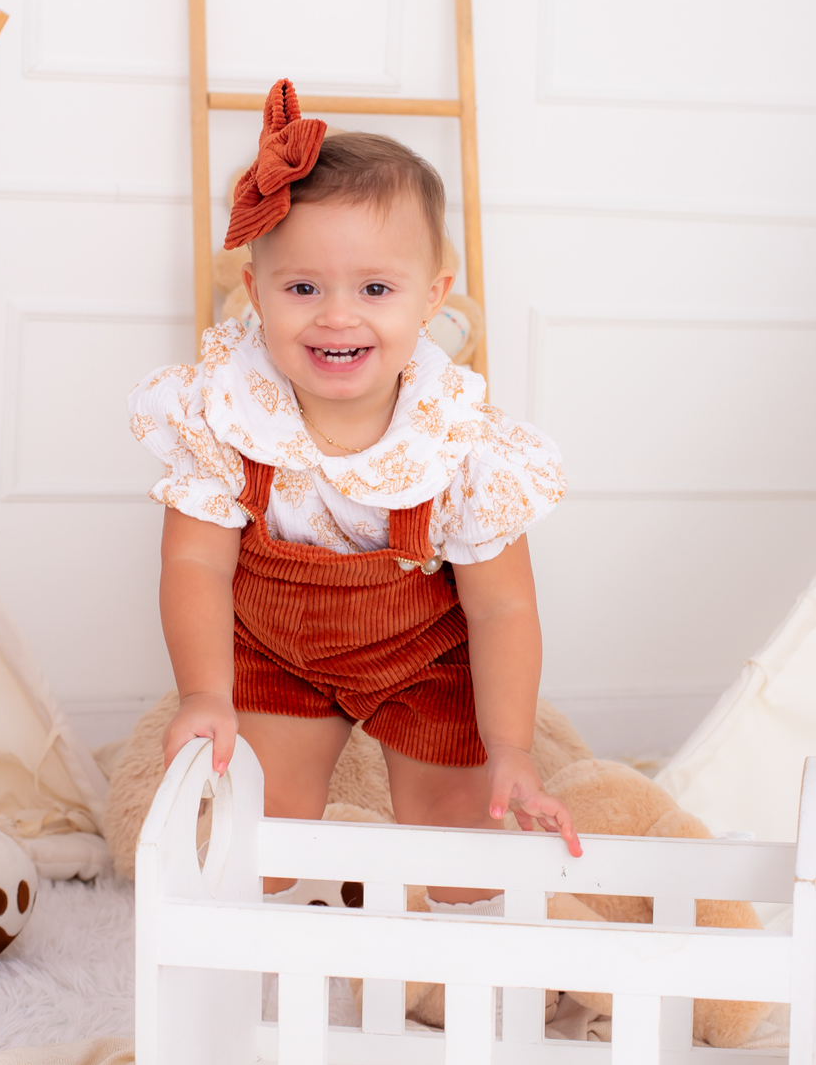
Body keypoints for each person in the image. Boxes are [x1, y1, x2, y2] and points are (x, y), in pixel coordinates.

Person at [129, 79, 582, 903]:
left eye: (375, 289)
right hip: (276, 651)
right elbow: (195, 564)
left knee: (460, 840)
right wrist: (203, 693)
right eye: (303, 288)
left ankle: (457, 957)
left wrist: (511, 746)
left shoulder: (457, 441)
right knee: (260, 829)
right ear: (256, 291)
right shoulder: (227, 411)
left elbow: (502, 608)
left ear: (432, 296)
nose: (337, 316)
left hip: (426, 658)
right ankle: (262, 955)